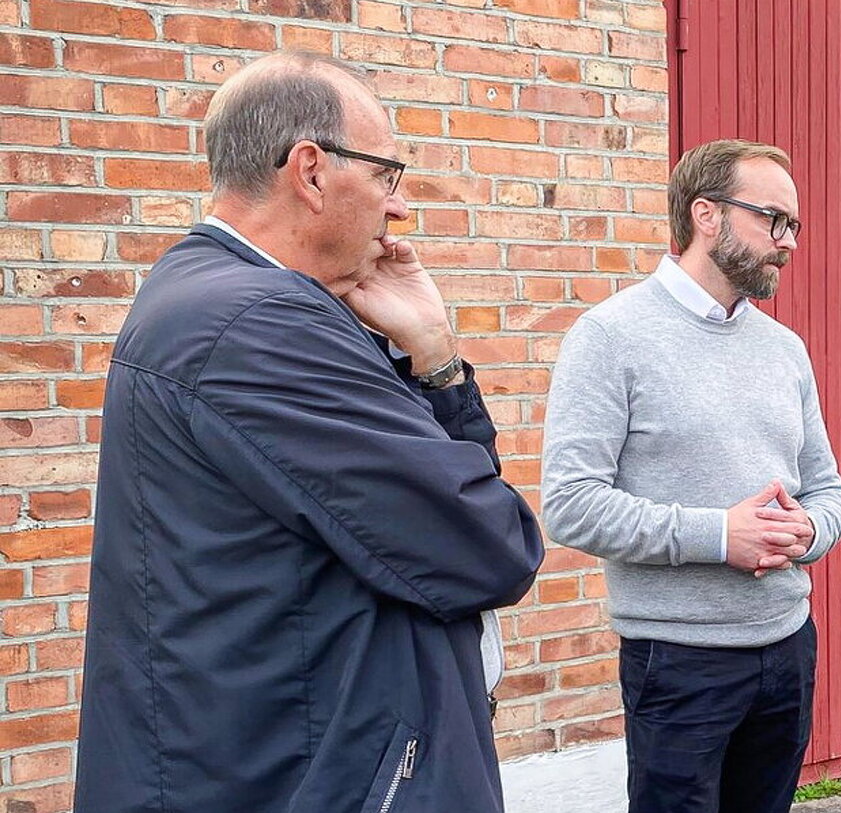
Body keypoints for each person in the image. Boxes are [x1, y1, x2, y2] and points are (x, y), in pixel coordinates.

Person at [74, 51, 544, 813]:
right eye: (388, 174)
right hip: (311, 778)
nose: (397, 206)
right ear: (312, 170)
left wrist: (433, 357)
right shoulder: (261, 325)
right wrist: (440, 370)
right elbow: (489, 546)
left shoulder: (217, 299)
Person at [541, 139, 841, 813]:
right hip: (679, 661)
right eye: (773, 218)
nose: (788, 240)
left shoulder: (784, 349)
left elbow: (829, 489)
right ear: (706, 215)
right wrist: (720, 536)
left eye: (793, 224)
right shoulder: (610, 337)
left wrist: (808, 528)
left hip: (787, 647)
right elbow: (570, 504)